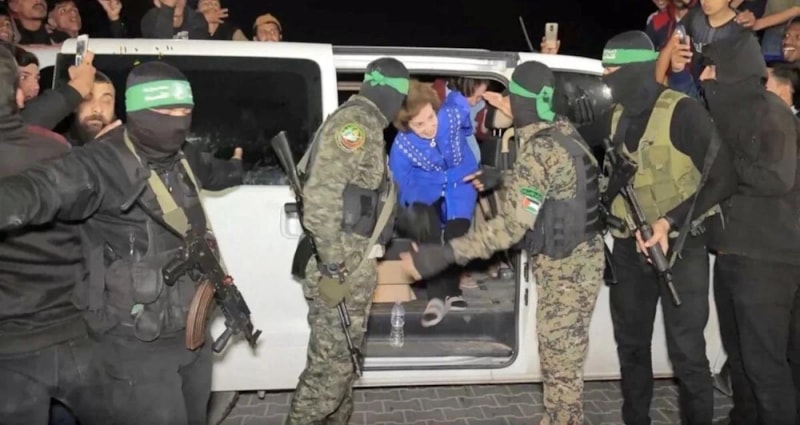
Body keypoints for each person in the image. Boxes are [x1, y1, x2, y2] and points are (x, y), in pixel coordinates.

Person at [0, 60, 243, 425]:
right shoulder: (101, 163)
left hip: (192, 336)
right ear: (138, 112)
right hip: (136, 348)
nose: (176, 122)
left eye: (184, 111)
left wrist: (239, 166)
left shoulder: (185, 157)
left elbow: (215, 171)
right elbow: (38, 190)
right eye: (164, 112)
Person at [399, 60, 605, 425]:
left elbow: (510, 227)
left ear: (524, 103)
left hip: (566, 274)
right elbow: (550, 180)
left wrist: (445, 253)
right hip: (578, 262)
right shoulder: (562, 131)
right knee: (561, 365)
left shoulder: (540, 150)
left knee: (561, 370)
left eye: (511, 98)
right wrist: (505, 177)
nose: (506, 105)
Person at [597, 30, 737, 425]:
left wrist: (667, 220)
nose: (606, 78)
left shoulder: (683, 112)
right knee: (631, 347)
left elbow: (723, 178)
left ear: (636, 70)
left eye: (612, 70)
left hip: (681, 247)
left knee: (687, 352)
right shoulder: (616, 115)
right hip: (630, 248)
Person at [285, 57, 409, 425]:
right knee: (328, 375)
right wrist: (333, 266)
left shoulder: (366, 122)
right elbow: (321, 197)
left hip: (350, 264)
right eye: (400, 96)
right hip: (340, 269)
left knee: (344, 364)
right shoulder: (355, 124)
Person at [0, 43, 106, 425]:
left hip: (9, 351)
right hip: (73, 329)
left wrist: (73, 91)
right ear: (17, 94)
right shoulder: (55, 149)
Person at [700, 29, 800, 425]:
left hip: (765, 260)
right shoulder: (735, 114)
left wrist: (725, 168)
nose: (705, 76)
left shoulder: (770, 112)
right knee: (740, 354)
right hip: (736, 252)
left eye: (712, 68)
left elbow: (776, 178)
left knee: (764, 363)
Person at [389, 80, 479, 327]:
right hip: (424, 186)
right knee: (428, 237)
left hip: (461, 179)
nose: (429, 127)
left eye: (430, 117)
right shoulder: (402, 146)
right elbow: (401, 182)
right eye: (419, 124)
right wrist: (411, 210)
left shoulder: (451, 114)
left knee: (455, 236)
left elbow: (466, 122)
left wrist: (466, 135)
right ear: (406, 125)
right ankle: (436, 297)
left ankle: (453, 292)